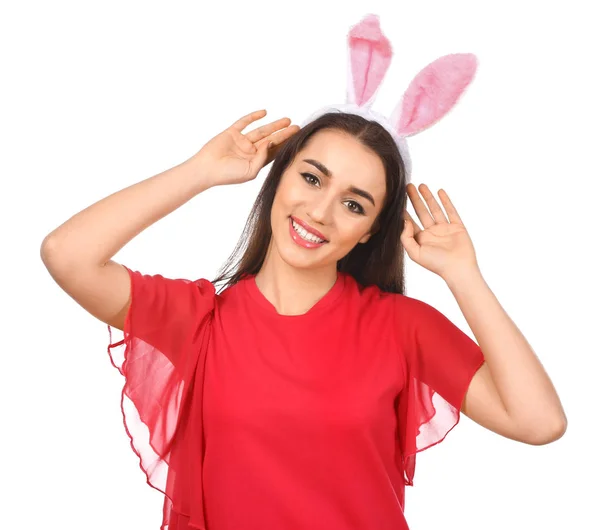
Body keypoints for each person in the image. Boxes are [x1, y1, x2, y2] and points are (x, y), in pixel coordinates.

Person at [40, 107, 567, 530]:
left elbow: (539, 421)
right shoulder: (199, 320)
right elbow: (67, 254)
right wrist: (200, 172)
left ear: (368, 232)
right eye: (312, 178)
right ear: (279, 178)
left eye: (354, 205)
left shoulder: (402, 327)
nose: (320, 211)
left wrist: (463, 275)